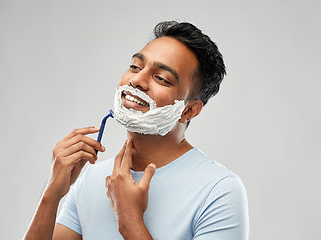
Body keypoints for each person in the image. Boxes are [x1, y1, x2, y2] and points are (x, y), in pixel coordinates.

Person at [24, 21, 249, 240]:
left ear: (188, 110)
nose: (137, 80)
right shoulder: (91, 178)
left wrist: (130, 221)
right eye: (135, 67)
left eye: (161, 78)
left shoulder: (219, 191)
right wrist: (51, 195)